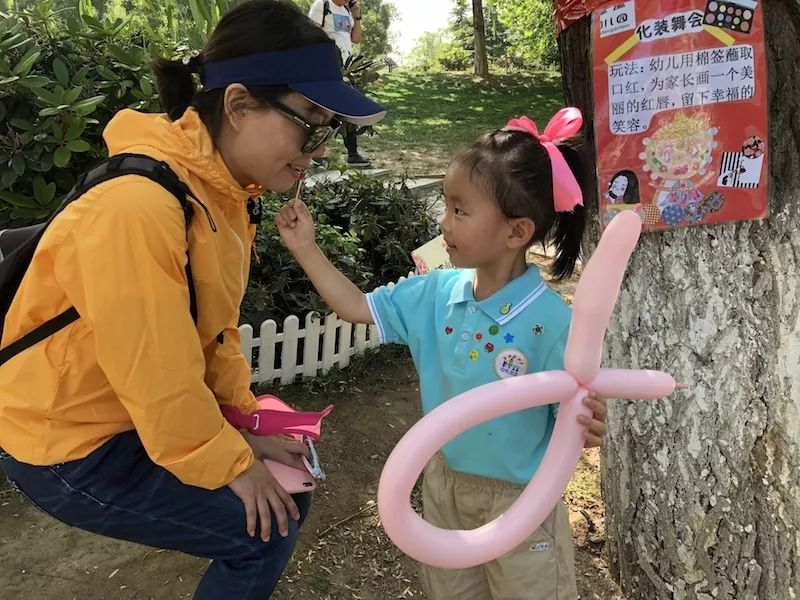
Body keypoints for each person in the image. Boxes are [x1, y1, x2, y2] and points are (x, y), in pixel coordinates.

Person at [0, 1, 385, 598]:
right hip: (64, 441)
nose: (320, 147)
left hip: (124, 415)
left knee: (283, 497)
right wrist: (233, 461)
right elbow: (157, 373)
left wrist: (243, 421)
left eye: (328, 127)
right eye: (310, 121)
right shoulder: (140, 206)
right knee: (265, 530)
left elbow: (213, 332)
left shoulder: (222, 193)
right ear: (237, 105)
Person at [275, 108, 606, 599]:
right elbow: (354, 306)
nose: (444, 222)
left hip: (522, 500)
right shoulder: (435, 294)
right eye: (447, 207)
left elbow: (580, 418)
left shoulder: (554, 325)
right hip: (443, 485)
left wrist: (594, 425)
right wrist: (305, 247)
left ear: (516, 232)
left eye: (460, 210)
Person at [308, 0, 372, 167]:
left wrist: (357, 16)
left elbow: (356, 39)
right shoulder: (321, 5)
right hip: (326, 67)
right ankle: (313, 151)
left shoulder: (346, 10)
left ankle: (352, 154)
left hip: (346, 69)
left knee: (348, 109)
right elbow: (311, 35)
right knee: (323, 111)